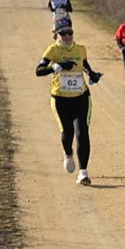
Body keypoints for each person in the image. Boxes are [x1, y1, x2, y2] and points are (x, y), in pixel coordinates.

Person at [34, 15, 102, 186]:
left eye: (70, 32)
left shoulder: (80, 49)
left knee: (82, 133)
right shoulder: (52, 50)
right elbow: (39, 70)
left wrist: (93, 75)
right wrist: (58, 66)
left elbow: (85, 65)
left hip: (81, 97)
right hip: (60, 99)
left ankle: (83, 172)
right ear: (56, 34)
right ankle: (67, 153)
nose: (67, 36)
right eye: (63, 33)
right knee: (67, 133)